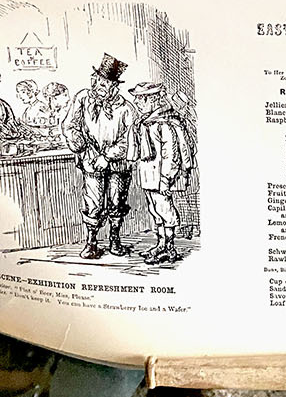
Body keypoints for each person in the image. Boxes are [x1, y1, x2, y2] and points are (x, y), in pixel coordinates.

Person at [61, 54, 139, 258]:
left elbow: (128, 141)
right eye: (96, 81)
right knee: (93, 203)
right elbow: (69, 126)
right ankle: (92, 242)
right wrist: (81, 147)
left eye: (103, 83)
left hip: (118, 165)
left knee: (116, 201)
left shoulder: (127, 109)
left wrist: (107, 156)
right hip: (91, 161)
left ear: (114, 86)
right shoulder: (83, 98)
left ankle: (115, 239)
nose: (97, 86)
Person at [132, 81, 194, 264]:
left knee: (165, 210)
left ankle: (169, 247)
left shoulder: (165, 123)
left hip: (161, 177)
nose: (137, 103)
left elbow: (171, 155)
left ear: (152, 99)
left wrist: (166, 179)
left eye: (141, 99)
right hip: (149, 176)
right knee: (155, 210)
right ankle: (160, 244)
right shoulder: (146, 122)